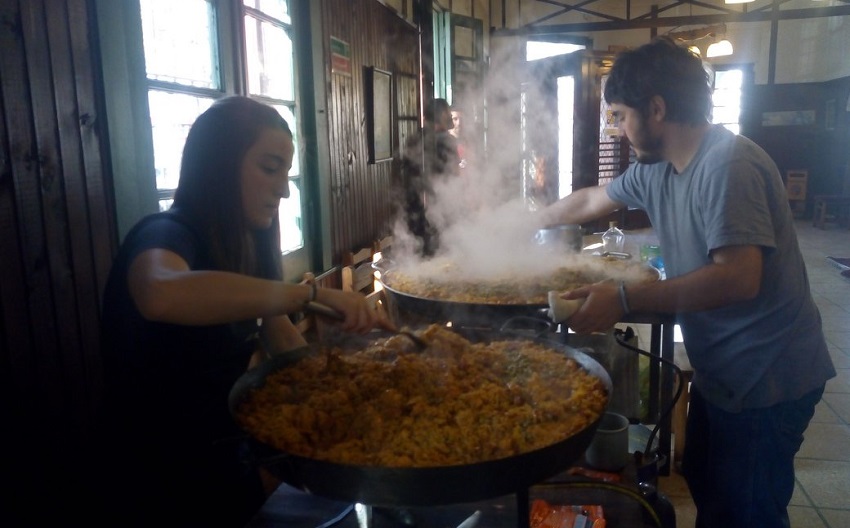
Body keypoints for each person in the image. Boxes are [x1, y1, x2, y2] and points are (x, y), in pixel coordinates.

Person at [538, 37, 835, 528]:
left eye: (620, 115)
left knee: (746, 512)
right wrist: (524, 221)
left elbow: (739, 278)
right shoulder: (658, 170)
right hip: (725, 373)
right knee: (708, 485)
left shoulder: (727, 164)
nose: (616, 129)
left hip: (768, 377)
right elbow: (591, 200)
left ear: (656, 109)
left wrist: (625, 297)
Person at [96, 96, 389, 526]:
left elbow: (283, 341)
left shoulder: (245, 248)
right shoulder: (167, 232)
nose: (284, 189)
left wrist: (349, 391)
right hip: (157, 482)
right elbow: (159, 293)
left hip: (225, 470)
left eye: (286, 174)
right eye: (270, 169)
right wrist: (309, 297)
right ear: (218, 166)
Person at [397, 98, 460, 256]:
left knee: (419, 259)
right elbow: (454, 175)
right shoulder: (447, 141)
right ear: (441, 115)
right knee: (444, 259)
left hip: (414, 211)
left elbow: (404, 175)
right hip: (442, 211)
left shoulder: (414, 139)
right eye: (448, 113)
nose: (451, 117)